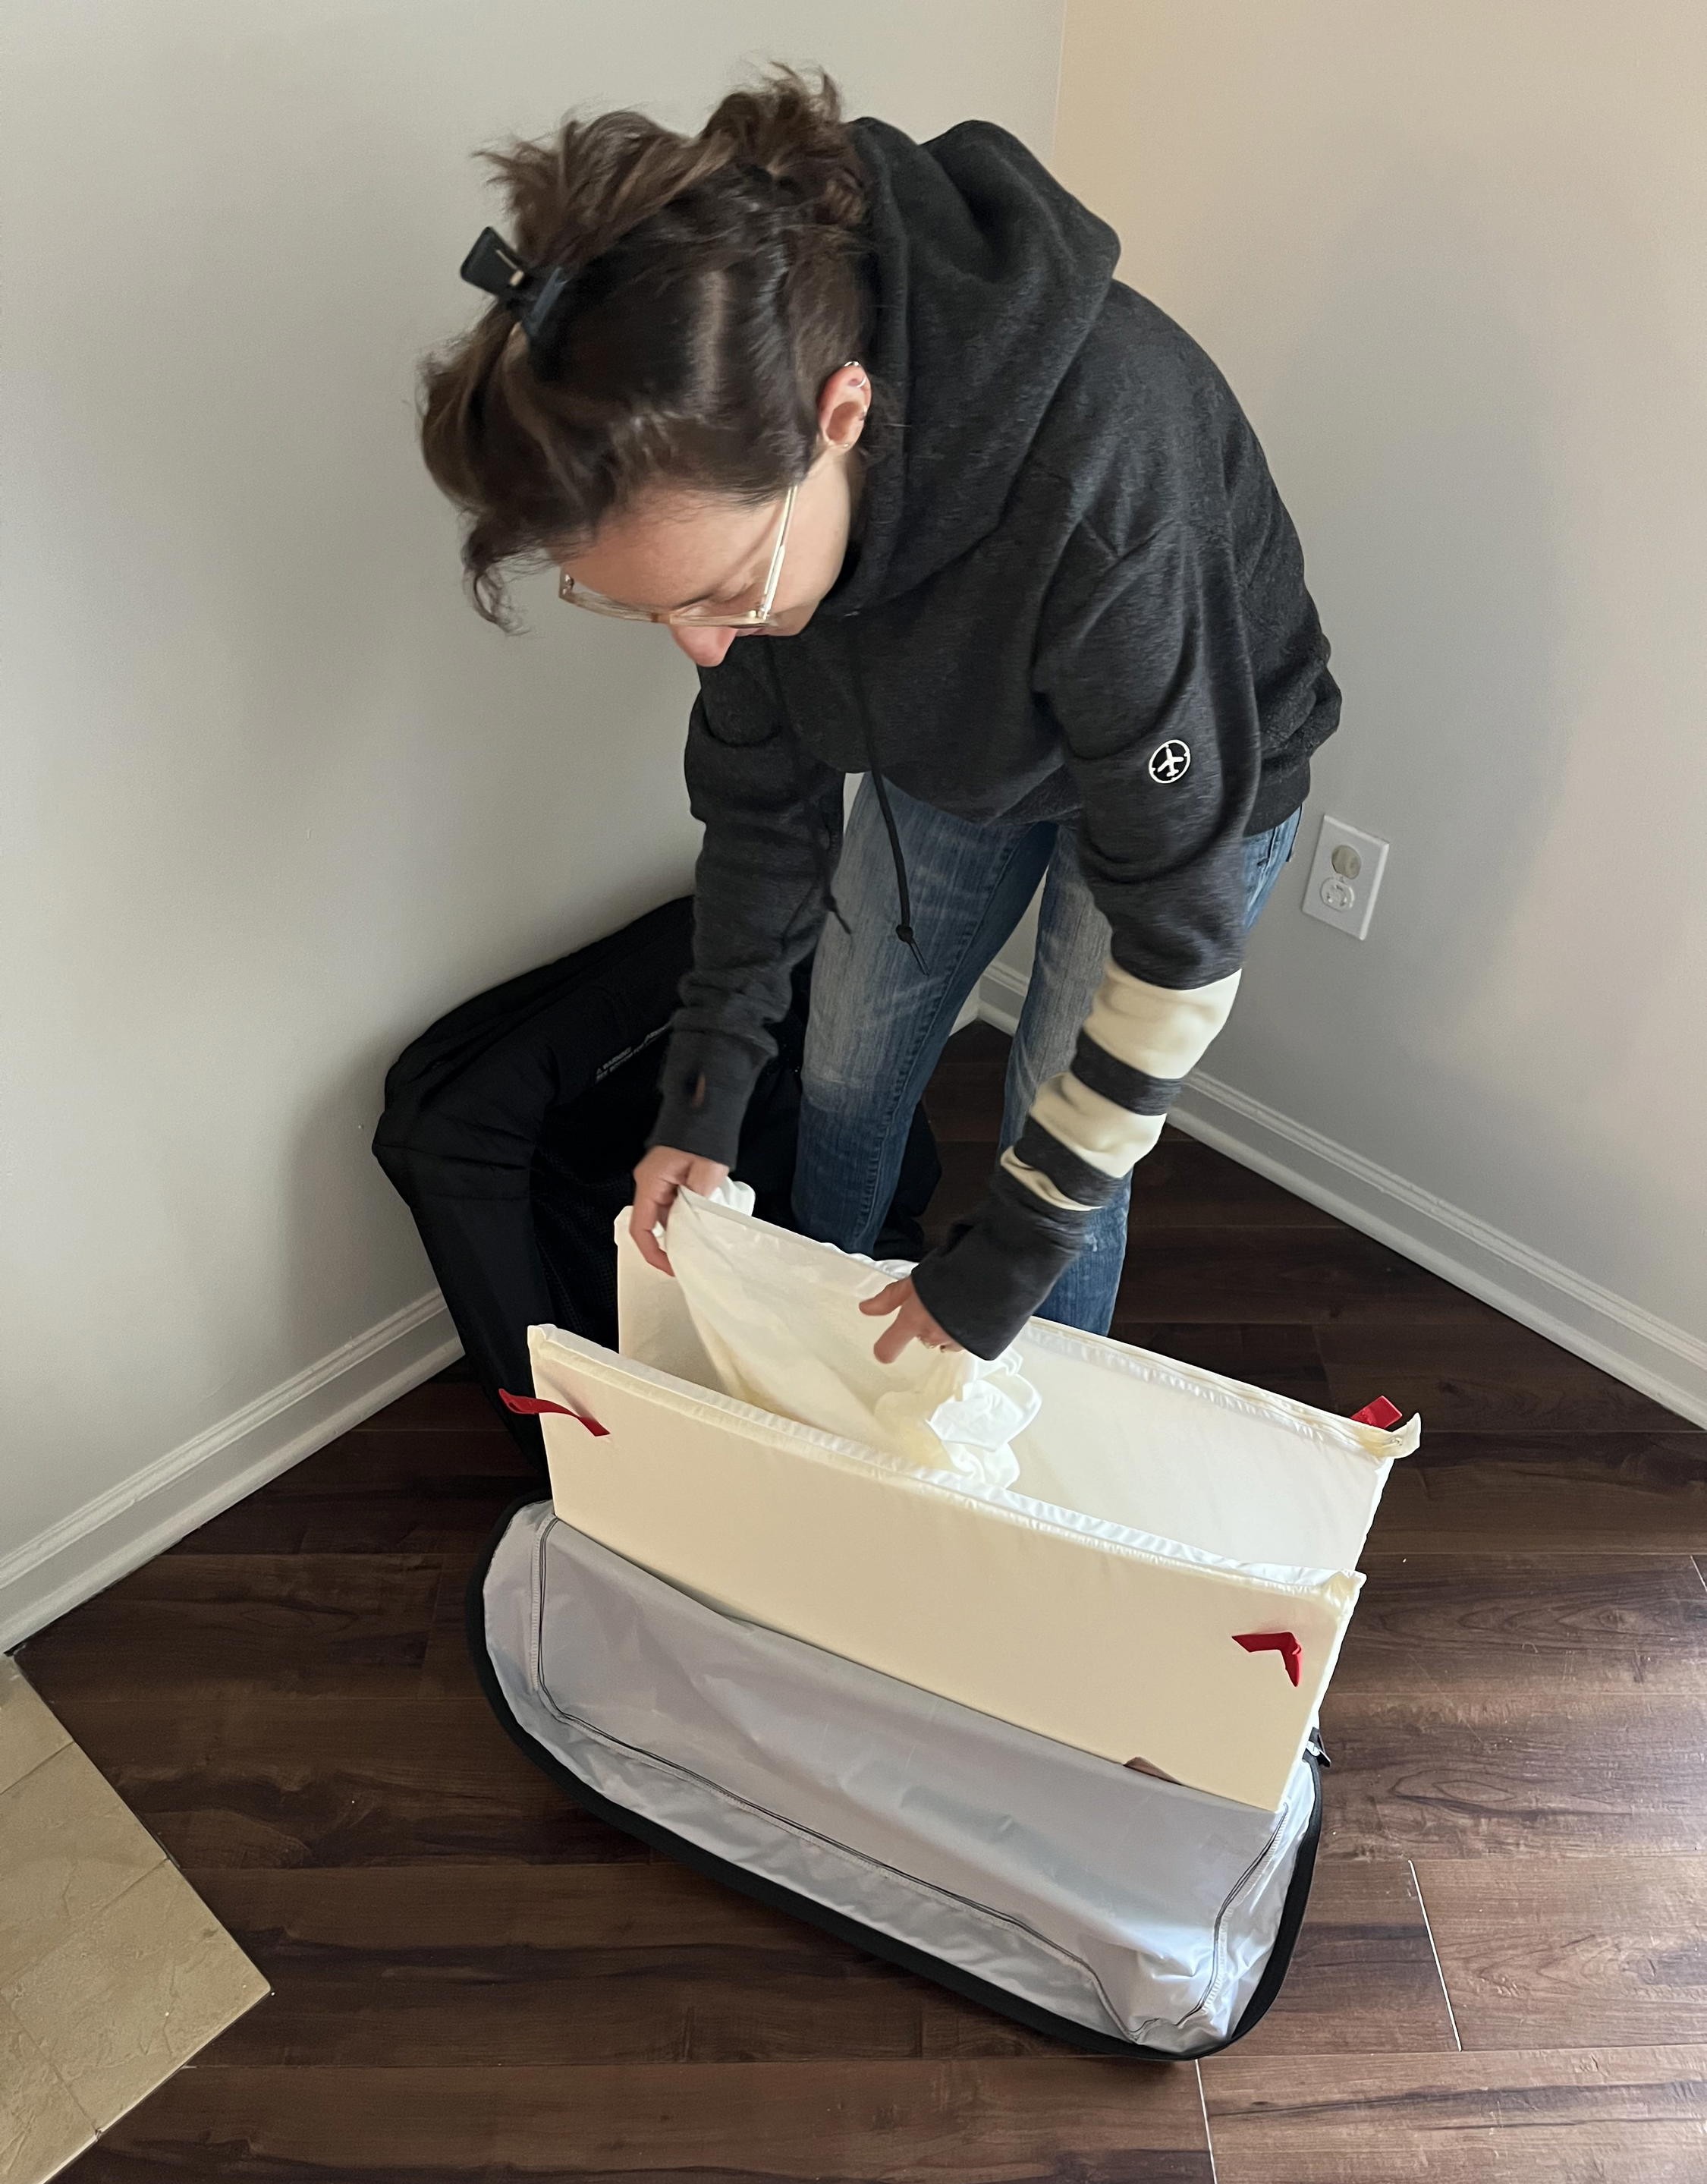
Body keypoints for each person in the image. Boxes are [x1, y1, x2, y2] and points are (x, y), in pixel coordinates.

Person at [420, 67, 1339, 1364]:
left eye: (723, 592)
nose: (699, 642)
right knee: (841, 1067)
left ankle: (1013, 1452)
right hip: (955, 735)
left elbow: (1173, 947)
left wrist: (997, 1271)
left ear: (838, 417)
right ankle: (826, 1344)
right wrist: (700, 1103)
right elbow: (757, 815)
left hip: (1183, 766)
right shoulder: (733, 451)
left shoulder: (1105, 477)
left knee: (1051, 1133)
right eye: (653, 610)